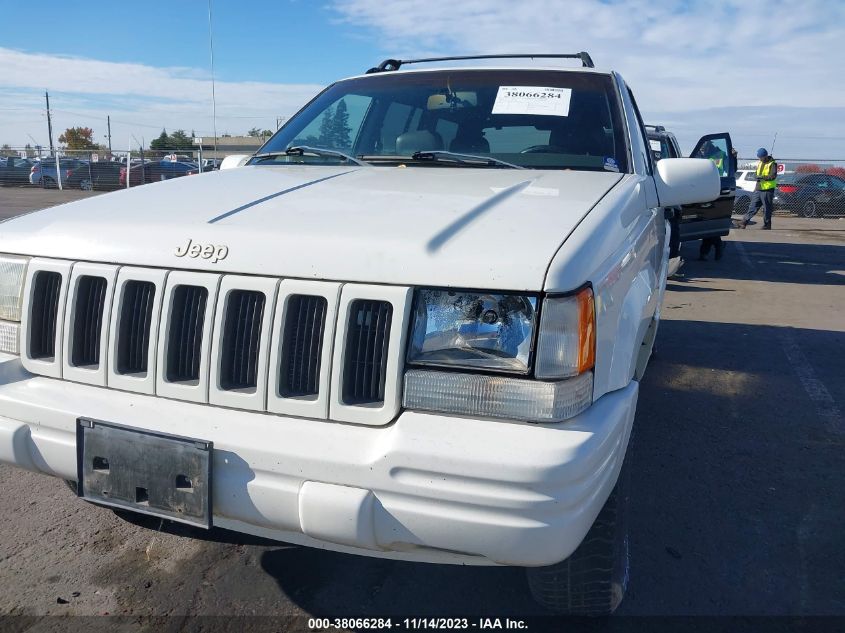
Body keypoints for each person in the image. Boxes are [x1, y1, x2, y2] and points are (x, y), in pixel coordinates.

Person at [698, 141, 729, 260]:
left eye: (703, 148)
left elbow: (731, 169)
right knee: (707, 224)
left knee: (709, 223)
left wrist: (734, 158)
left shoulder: (721, 155)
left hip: (716, 191)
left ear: (709, 146)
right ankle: (716, 246)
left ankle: (706, 252)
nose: (702, 150)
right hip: (703, 191)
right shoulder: (701, 155)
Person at [740, 148, 778, 229]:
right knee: (752, 206)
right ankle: (744, 222)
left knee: (766, 209)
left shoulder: (772, 164)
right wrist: (755, 176)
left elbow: (773, 176)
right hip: (758, 189)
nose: (760, 159)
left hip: (767, 190)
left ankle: (767, 225)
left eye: (761, 157)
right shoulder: (760, 163)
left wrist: (762, 177)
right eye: (759, 157)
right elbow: (757, 173)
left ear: (765, 156)